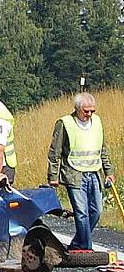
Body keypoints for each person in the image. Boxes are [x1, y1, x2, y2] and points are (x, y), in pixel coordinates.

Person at [47, 92, 115, 251]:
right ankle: (85, 247)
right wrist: (53, 176)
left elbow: (102, 148)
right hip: (74, 174)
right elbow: (54, 152)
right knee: (81, 212)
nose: (89, 114)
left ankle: (78, 242)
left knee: (96, 211)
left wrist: (108, 171)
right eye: (86, 111)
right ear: (77, 109)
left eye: (92, 111)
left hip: (94, 173)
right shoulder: (65, 123)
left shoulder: (97, 122)